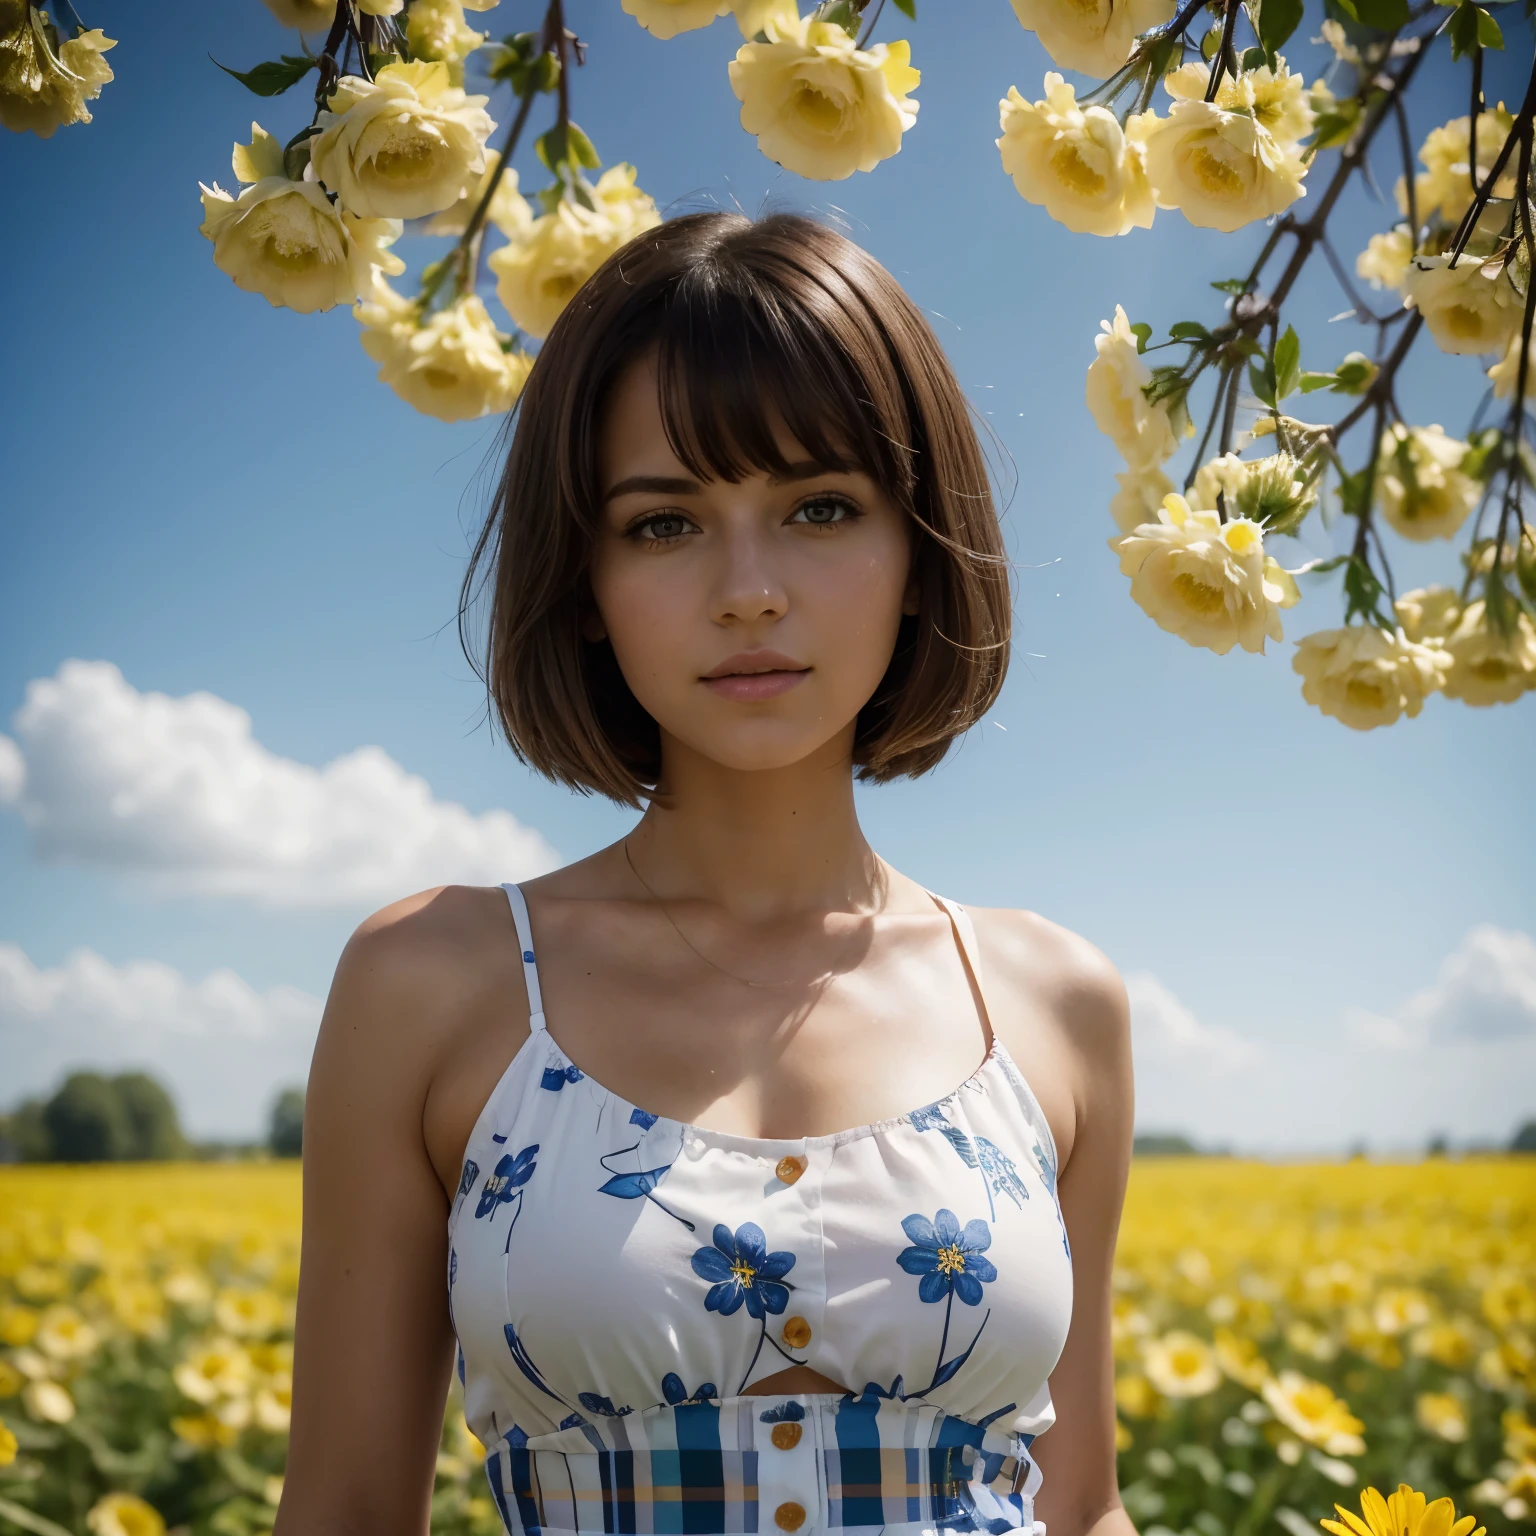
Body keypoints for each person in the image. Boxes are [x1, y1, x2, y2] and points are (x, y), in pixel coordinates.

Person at [276, 212, 1134, 1536]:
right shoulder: (429, 984)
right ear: (583, 580)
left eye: (821, 508)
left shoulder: (1053, 1002)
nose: (748, 590)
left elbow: (1081, 1514)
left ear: (921, 554)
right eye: (666, 524)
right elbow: (340, 1514)